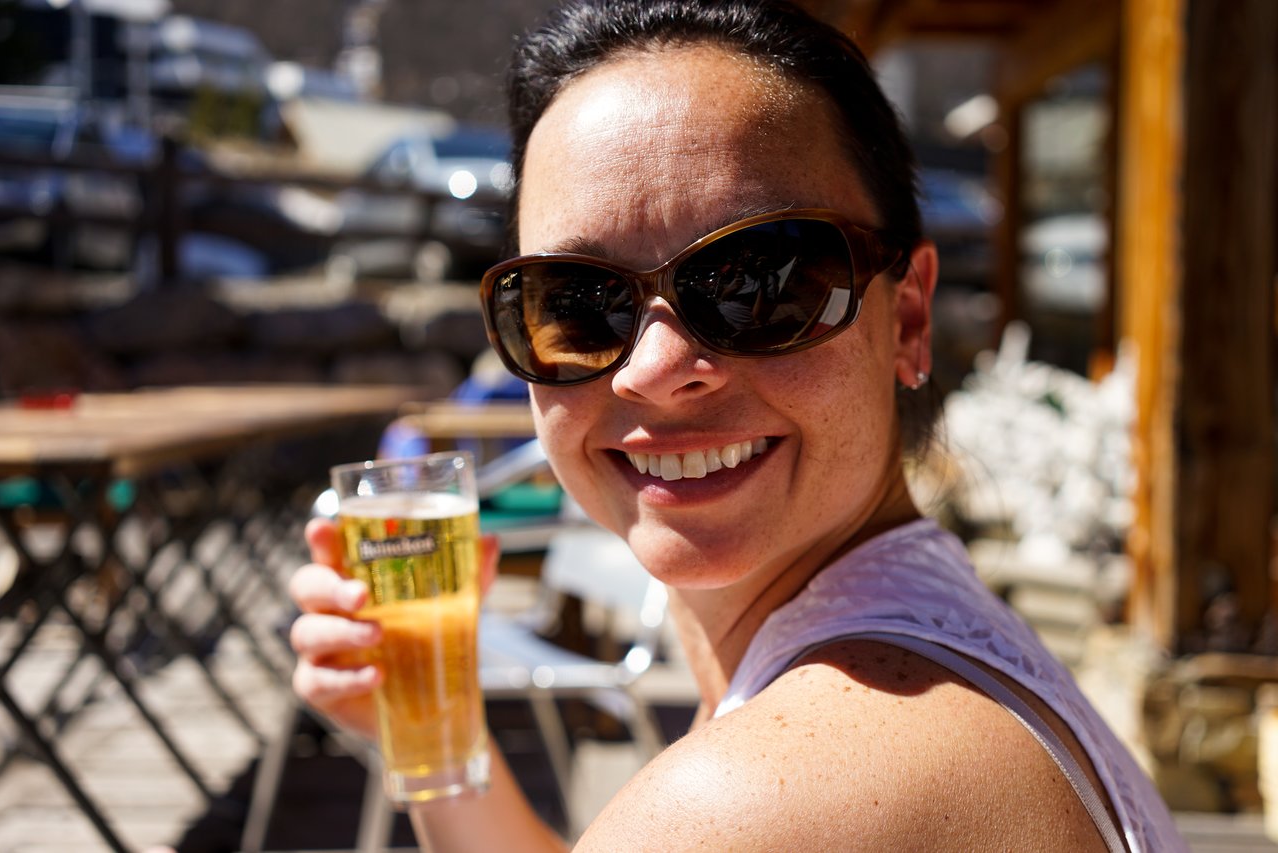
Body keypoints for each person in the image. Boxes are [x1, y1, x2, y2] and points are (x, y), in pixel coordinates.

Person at [288, 1, 1185, 850]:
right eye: (576, 302)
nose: (654, 371)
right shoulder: (929, 645)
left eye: (759, 281)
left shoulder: (762, 793)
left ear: (906, 318)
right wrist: (430, 738)